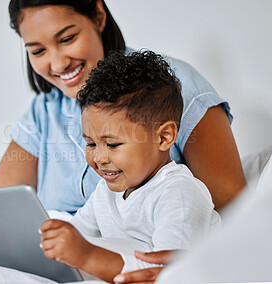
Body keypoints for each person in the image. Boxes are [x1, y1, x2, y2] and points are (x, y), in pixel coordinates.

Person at [0, 0, 246, 281]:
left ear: (99, 15)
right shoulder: (46, 113)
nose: (58, 63)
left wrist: (85, 255)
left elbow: (174, 262)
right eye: (37, 51)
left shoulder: (170, 93)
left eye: (68, 38)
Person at [39, 50, 221, 283]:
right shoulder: (105, 192)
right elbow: (78, 235)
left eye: (113, 144)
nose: (100, 157)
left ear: (164, 137)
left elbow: (166, 274)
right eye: (91, 143)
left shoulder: (180, 194)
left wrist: (86, 256)